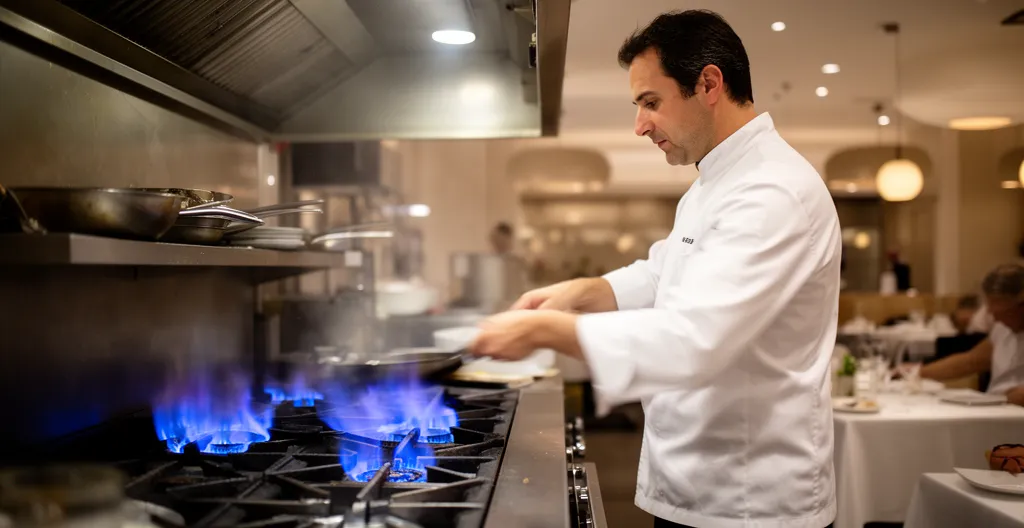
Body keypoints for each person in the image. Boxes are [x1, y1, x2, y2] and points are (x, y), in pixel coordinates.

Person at [469, 10, 840, 528]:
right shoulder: (712, 183)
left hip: (748, 501)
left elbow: (695, 339)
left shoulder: (772, 191)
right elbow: (664, 274)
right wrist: (582, 290)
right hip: (695, 480)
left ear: (709, 83)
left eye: (650, 102)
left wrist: (545, 330)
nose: (640, 125)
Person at [920, 264, 1024, 405]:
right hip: (998, 410)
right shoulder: (1003, 329)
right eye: (992, 311)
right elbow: (971, 361)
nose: (996, 319)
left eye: (1003, 313)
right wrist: (918, 372)